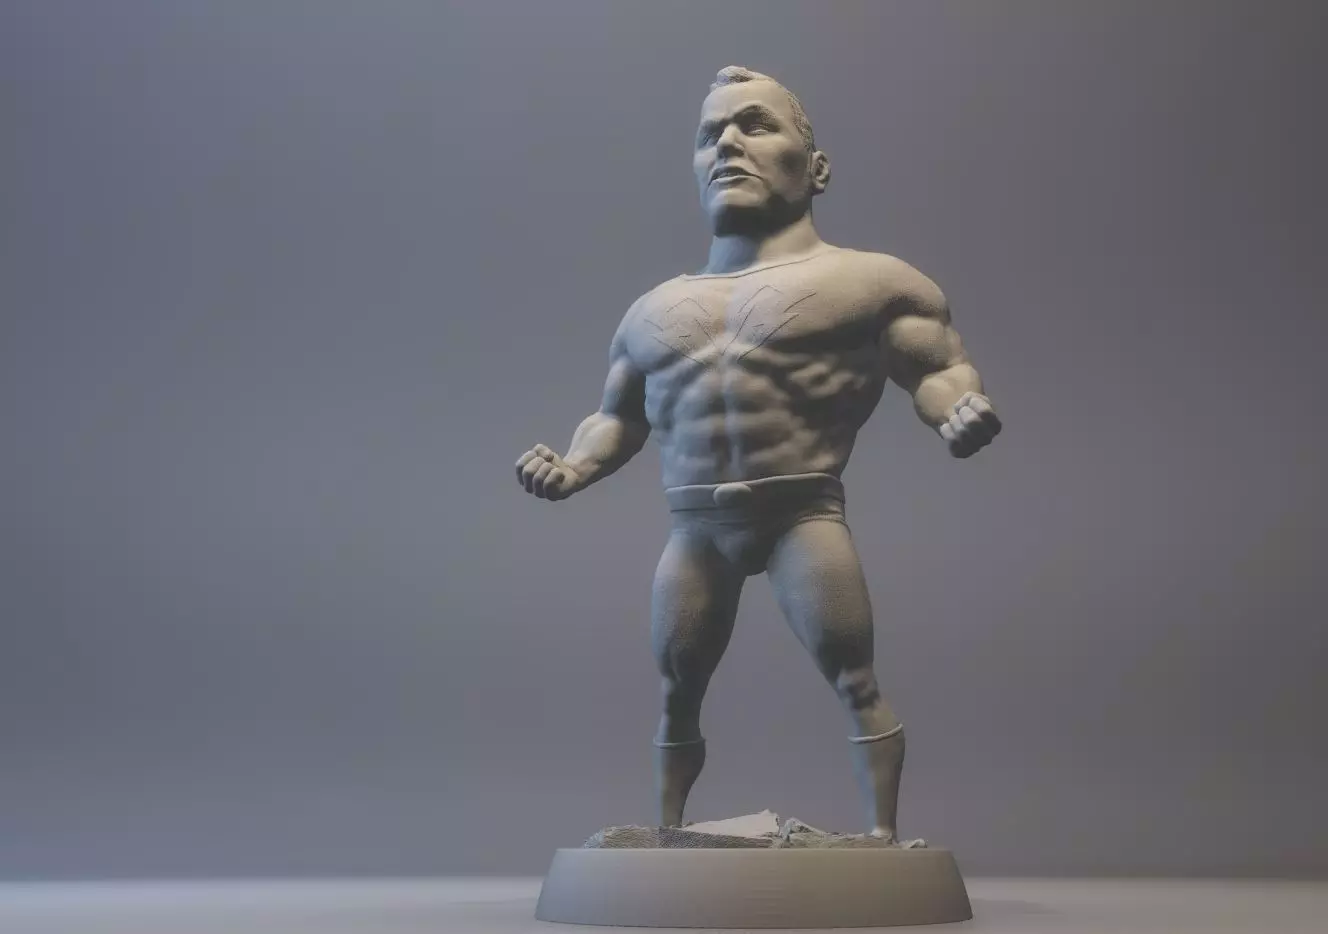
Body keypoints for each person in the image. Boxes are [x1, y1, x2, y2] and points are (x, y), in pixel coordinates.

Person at [516, 66, 1001, 842]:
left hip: (800, 513)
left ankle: (883, 840)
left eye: (754, 124)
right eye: (710, 134)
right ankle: (667, 835)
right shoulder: (651, 311)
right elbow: (617, 418)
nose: (727, 144)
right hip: (696, 527)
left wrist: (959, 411)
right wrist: (572, 468)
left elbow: (939, 370)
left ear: (817, 168)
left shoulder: (870, 283)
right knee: (677, 689)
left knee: (855, 679)